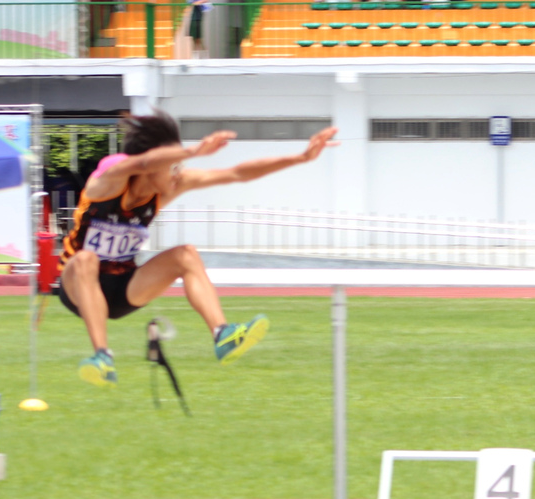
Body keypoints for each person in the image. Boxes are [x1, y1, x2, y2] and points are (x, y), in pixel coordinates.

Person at [57, 110, 337, 388]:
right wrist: (192, 151)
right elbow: (141, 163)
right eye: (173, 164)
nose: (178, 173)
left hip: (123, 290)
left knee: (186, 254)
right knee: (86, 259)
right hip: (77, 286)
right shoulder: (109, 180)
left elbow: (236, 173)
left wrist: (301, 157)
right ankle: (102, 357)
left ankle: (222, 335)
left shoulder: (168, 187)